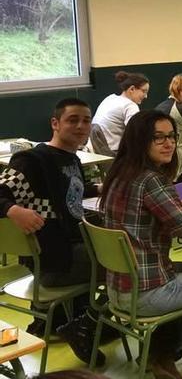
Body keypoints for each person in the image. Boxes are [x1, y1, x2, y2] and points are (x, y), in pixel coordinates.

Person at [99, 109, 182, 379]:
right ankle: (164, 352)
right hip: (146, 294)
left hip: (116, 288)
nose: (169, 143)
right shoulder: (152, 181)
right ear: (140, 141)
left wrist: (176, 207)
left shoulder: (118, 174)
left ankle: (158, 347)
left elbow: (144, 217)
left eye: (172, 136)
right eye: (158, 138)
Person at [0, 98, 105, 364]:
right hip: (56, 259)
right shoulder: (33, 161)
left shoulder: (70, 158)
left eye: (86, 120)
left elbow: (66, 193)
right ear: (55, 123)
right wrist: (14, 210)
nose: (81, 126)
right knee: (129, 263)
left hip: (70, 247)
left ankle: (88, 321)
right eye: (73, 120)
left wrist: (101, 188)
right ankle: (86, 325)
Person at [91, 71, 150, 154]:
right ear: (132, 89)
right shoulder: (130, 106)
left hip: (95, 149)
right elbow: (136, 133)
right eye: (144, 91)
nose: (146, 96)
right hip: (112, 152)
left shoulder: (110, 98)